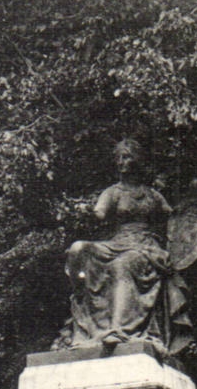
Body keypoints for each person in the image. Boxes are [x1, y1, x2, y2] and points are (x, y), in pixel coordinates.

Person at [62, 139, 187, 352]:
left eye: (127, 156)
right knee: (77, 249)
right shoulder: (112, 193)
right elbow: (99, 213)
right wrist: (83, 211)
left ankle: (118, 330)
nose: (122, 161)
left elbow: (177, 218)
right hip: (117, 242)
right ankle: (81, 296)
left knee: (123, 265)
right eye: (119, 157)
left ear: (137, 160)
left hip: (145, 246)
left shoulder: (152, 195)